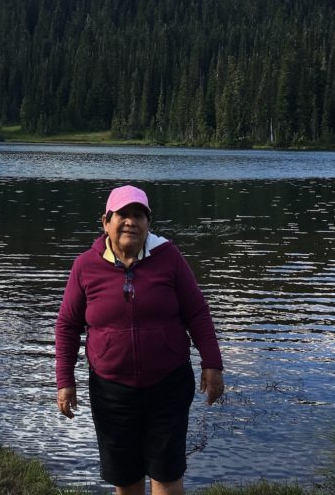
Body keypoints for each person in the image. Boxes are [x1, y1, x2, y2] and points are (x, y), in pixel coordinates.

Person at [55, 184, 224, 495]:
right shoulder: (85, 266)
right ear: (106, 221)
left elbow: (197, 312)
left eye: (139, 215)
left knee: (167, 474)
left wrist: (212, 364)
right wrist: (65, 380)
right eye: (123, 214)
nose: (131, 221)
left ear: (149, 223)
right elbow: (67, 325)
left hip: (168, 386)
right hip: (111, 391)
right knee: (126, 478)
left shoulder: (169, 257)